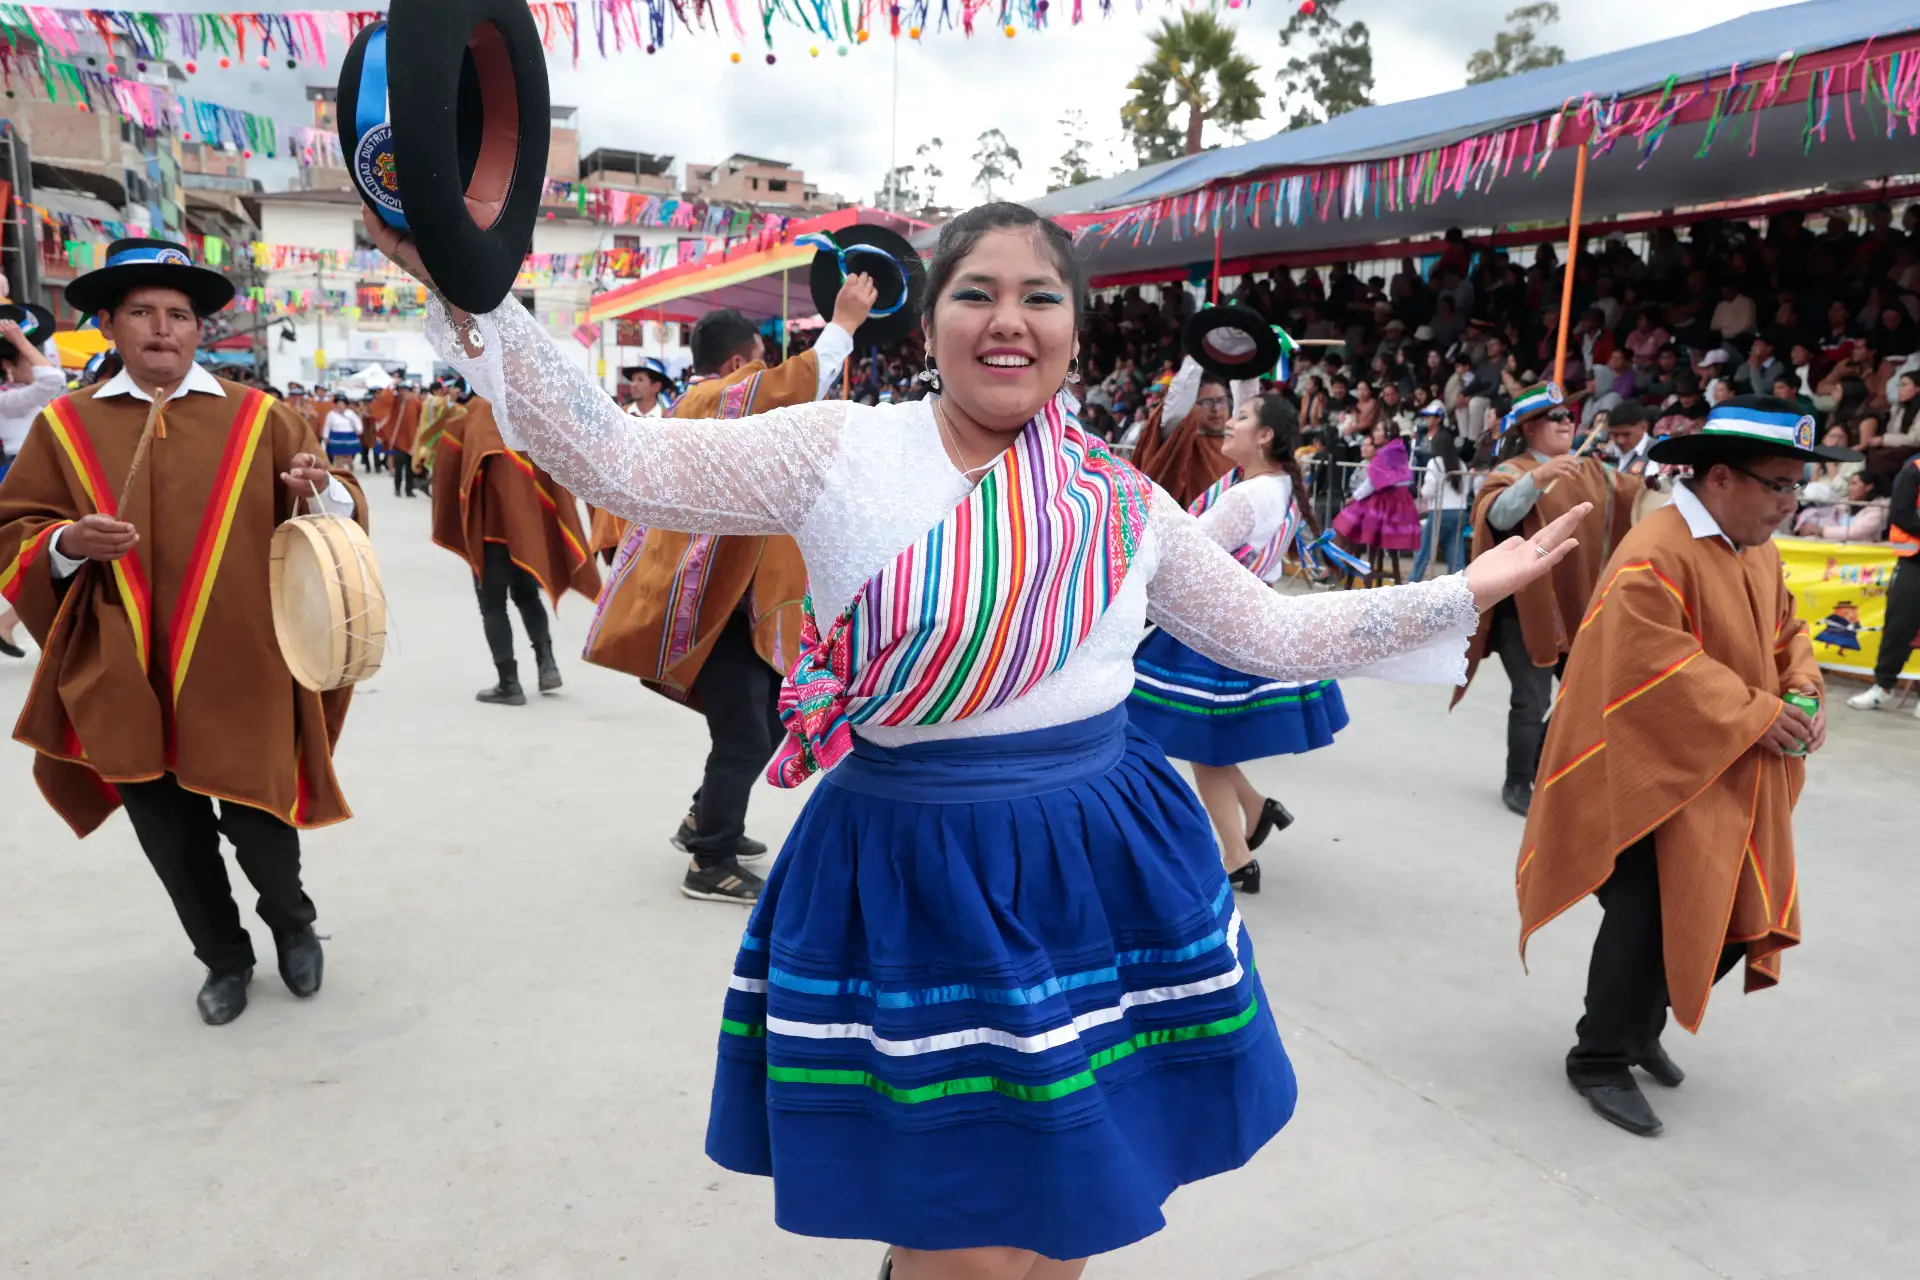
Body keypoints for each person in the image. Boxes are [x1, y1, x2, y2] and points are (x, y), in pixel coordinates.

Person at [368, 200, 1585, 1280]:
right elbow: (615, 457)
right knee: (959, 1229)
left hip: (1096, 861)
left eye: (1040, 297)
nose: (1009, 320)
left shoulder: (1121, 498)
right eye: (977, 293)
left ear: (1075, 331)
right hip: (914, 866)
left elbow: (1266, 631)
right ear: (933, 317)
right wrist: (470, 290)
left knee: (1066, 1211)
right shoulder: (839, 447)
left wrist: (1460, 591)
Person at [0, 238, 367, 1025]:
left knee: (261, 824)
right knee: (171, 837)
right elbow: (16, 529)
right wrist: (67, 543)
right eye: (141, 312)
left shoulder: (260, 417)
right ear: (107, 325)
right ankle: (224, 959)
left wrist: (320, 488)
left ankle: (293, 924)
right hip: (122, 667)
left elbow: (337, 509)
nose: (162, 328)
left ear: (200, 329)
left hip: (244, 663)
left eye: (178, 314)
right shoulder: (65, 426)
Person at [1519, 396, 1849, 1136]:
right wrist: (1757, 712)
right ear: (1721, 476)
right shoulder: (1656, 551)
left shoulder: (1755, 548)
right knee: (1644, 914)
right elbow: (1652, 665)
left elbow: (1787, 629)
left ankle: (1639, 1029)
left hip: (1714, 765)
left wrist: (1802, 686)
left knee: (1722, 905)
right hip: (1640, 767)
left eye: (1797, 487)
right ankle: (1599, 1055)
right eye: (1779, 485)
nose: (1790, 504)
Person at [581, 290, 871, 904]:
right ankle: (710, 860)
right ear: (740, 363)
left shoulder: (698, 405)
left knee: (764, 720)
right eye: (762, 359)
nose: (769, 370)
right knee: (746, 736)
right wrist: (844, 324)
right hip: (708, 605)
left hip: (730, 604)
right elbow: (796, 384)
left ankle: (703, 820)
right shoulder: (714, 400)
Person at [1129, 394, 1341, 895]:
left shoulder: (1246, 497)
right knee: (1208, 745)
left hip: (1218, 627)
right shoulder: (1280, 486)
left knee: (1201, 746)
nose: (1228, 423)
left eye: (1241, 418)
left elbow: (1181, 554)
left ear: (1264, 436)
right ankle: (1254, 809)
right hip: (1247, 617)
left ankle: (1237, 856)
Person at [1455, 383, 1640, 817]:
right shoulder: (1513, 470)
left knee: (1587, 694)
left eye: (1569, 416)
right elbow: (1497, 514)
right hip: (1526, 609)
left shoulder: (1591, 469)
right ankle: (1517, 781)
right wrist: (1538, 479)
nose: (1567, 422)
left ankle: (1543, 764)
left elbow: (1637, 496)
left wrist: (1669, 480)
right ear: (1530, 428)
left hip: (1577, 606)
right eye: (1556, 417)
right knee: (1531, 699)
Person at [431, 392, 601, 703]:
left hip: (491, 531)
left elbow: (455, 459)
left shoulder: (479, 409)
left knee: (492, 604)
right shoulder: (530, 407)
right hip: (525, 530)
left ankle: (509, 683)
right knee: (527, 595)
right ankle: (547, 665)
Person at [0, 317, 65, 657]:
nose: (37, 362)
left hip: (35, 480)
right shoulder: (8, 401)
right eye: (28, 357)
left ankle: (9, 623)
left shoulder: (19, 399)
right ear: (8, 366)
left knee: (46, 563)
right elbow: (53, 379)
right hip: (23, 484)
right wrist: (19, 340)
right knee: (42, 562)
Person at [1846, 452, 1920, 716]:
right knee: (1899, 625)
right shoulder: (1914, 471)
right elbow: (1900, 515)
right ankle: (1883, 686)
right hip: (1915, 561)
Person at [1130, 359, 1235, 507]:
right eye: (1206, 402)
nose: (1216, 409)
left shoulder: (1236, 444)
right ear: (1192, 407)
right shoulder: (1182, 442)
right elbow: (1178, 410)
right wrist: (1198, 354)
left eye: (1220, 401)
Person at [1332, 424, 1422, 582]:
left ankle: (1338, 562)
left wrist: (1353, 498)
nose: (1374, 433)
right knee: (1351, 523)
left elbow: (1371, 483)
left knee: (1346, 520)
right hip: (1398, 503)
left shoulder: (1385, 454)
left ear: (1387, 435)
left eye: (1378, 430)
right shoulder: (1398, 450)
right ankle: (1341, 561)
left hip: (1386, 504)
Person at [1413, 405, 1476, 581]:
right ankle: (1458, 588)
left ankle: (1412, 582)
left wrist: (1421, 491)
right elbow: (1466, 489)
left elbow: (1429, 490)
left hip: (1440, 512)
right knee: (1456, 558)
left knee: (1424, 553)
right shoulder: (1461, 464)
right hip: (1459, 512)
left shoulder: (1435, 463)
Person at [323, 392, 362, 468]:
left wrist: (359, 430)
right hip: (336, 436)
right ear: (336, 404)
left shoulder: (350, 413)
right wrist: (326, 436)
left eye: (342, 403)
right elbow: (327, 426)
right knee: (338, 455)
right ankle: (340, 469)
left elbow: (357, 422)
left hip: (349, 436)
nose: (340, 405)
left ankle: (350, 466)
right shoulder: (331, 414)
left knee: (349, 454)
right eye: (339, 403)